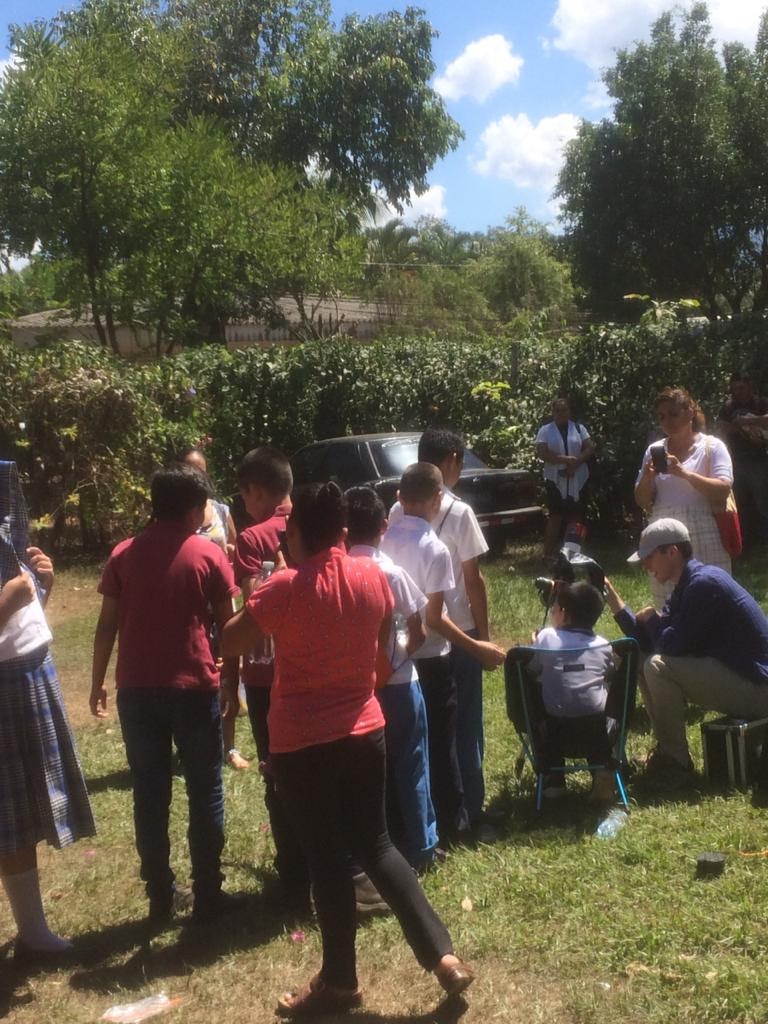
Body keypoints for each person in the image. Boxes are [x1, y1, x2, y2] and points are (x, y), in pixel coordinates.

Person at [221, 482, 474, 1017]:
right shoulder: (372, 579)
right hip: (365, 729)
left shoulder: (283, 588)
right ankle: (444, 957)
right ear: (341, 530)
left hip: (302, 744)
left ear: (294, 533)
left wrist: (257, 591)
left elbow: (231, 641)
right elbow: (382, 661)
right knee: (379, 847)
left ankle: (339, 983)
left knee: (328, 862)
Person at [90, 464, 240, 923]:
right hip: (193, 687)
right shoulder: (208, 555)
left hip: (136, 691)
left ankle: (160, 893)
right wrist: (231, 680)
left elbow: (106, 625)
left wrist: (96, 681)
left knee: (149, 794)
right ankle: (209, 892)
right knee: (205, 789)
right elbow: (229, 626)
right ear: (196, 510)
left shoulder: (123, 554)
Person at [382, 463, 505, 846]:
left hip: (395, 657)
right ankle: (452, 826)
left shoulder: (385, 539)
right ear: (438, 498)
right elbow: (434, 616)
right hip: (433, 656)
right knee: (444, 742)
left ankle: (404, 823)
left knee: (403, 746)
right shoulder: (433, 548)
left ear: (400, 497)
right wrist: (477, 644)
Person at [1, 461, 95, 956]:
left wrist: (39, 588)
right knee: (9, 810)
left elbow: (19, 602)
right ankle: (33, 933)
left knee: (23, 807)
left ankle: (32, 931)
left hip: (29, 663)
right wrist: (10, 598)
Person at [604, 518, 768, 790]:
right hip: (743, 679)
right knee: (642, 659)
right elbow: (648, 642)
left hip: (759, 688)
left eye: (649, 558)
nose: (646, 566)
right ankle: (668, 752)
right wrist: (612, 598)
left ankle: (675, 763)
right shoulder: (687, 585)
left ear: (672, 552)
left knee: (657, 666)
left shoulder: (704, 585)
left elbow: (670, 646)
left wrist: (653, 620)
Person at [232, 446, 311, 916]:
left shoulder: (252, 539)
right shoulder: (315, 524)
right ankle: (327, 865)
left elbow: (254, 607)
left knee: (276, 770)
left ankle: (294, 877)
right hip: (316, 663)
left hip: (267, 675)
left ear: (255, 491)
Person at [345, 486, 438, 870]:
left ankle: (372, 845)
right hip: (399, 684)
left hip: (356, 689)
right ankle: (421, 845)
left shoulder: (341, 575)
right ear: (385, 525)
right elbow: (420, 629)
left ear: (344, 531)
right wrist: (397, 659)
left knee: (366, 773)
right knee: (412, 762)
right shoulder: (393, 573)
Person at [180, 447, 248, 770]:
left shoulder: (220, 510)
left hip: (221, 601)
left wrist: (229, 552)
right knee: (195, 671)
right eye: (191, 470)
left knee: (229, 667)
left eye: (202, 471)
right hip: (190, 607)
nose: (198, 477)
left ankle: (229, 746)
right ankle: (192, 744)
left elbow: (235, 546)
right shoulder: (174, 514)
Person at [635, 386, 733, 610]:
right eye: (661, 417)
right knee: (668, 604)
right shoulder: (653, 451)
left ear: (690, 412)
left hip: (704, 529)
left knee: (712, 600)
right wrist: (648, 478)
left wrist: (684, 474)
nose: (667, 421)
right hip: (663, 534)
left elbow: (723, 489)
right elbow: (642, 501)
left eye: (673, 413)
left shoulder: (712, 447)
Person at [527, 582, 615, 803]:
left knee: (540, 702)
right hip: (597, 733)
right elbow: (610, 674)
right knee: (598, 703)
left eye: (554, 609)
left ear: (563, 614)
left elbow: (531, 670)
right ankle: (602, 771)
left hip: (554, 733)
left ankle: (553, 779)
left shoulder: (546, 637)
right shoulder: (603, 645)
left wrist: (534, 646)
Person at [535, 397, 595, 560]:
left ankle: (572, 552)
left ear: (569, 411)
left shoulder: (578, 428)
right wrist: (564, 461)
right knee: (556, 515)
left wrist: (575, 464)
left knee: (575, 515)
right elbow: (542, 452)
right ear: (553, 412)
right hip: (555, 478)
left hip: (577, 477)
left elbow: (589, 448)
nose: (561, 413)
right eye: (558, 410)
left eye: (564, 410)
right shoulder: (546, 430)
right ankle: (549, 554)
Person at [716, 373, 768, 547]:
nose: (739, 392)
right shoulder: (729, 407)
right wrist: (739, 428)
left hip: (758, 460)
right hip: (735, 462)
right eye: (735, 388)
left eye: (742, 387)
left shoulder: (761, 403)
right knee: (740, 504)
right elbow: (722, 428)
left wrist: (750, 420)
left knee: (763, 503)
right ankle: (746, 543)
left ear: (750, 386)